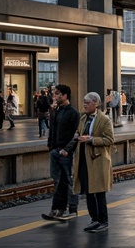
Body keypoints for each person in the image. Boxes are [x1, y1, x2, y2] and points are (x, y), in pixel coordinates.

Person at [42, 85, 81, 222]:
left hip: (66, 152)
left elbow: (77, 134)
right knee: (57, 181)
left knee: (69, 180)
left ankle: (72, 209)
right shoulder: (56, 111)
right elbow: (52, 130)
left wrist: (67, 149)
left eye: (58, 94)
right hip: (55, 150)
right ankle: (57, 209)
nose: (55, 96)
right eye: (54, 94)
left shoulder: (73, 113)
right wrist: (51, 146)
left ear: (65, 96)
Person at [76, 92, 114, 233]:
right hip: (84, 160)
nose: (85, 105)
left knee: (99, 192)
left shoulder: (104, 120)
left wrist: (91, 140)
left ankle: (103, 221)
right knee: (88, 191)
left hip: (98, 160)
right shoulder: (83, 118)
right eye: (84, 102)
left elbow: (109, 140)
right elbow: (79, 132)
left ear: (96, 103)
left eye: (88, 103)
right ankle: (94, 219)